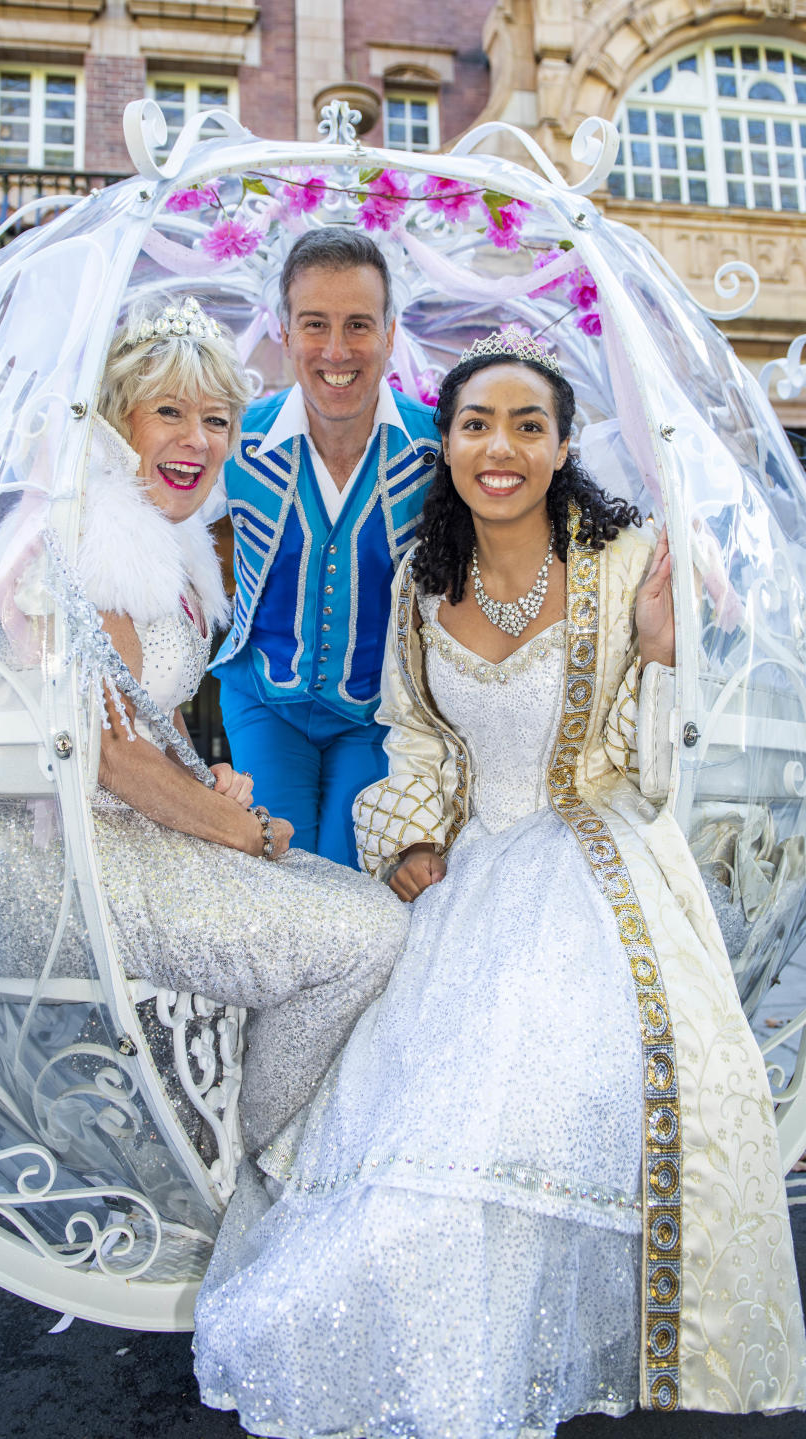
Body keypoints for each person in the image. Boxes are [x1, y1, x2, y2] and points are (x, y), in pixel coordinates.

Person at [193, 328, 806, 1433]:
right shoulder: (426, 586)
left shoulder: (627, 560)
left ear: (565, 443)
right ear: (447, 442)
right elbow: (415, 735)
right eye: (477, 423)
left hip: (600, 857)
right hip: (476, 869)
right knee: (414, 1109)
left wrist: (663, 648)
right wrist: (409, 839)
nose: (502, 446)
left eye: (529, 424)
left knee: (522, 1096)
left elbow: (653, 767)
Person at [0, 290, 408, 1157]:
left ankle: (223, 1131)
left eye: (218, 420)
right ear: (119, 422)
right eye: (171, 414)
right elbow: (107, 755)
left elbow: (143, 729)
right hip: (44, 864)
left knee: (355, 897)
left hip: (120, 836)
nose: (198, 440)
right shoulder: (92, 538)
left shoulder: (171, 542)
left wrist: (206, 780)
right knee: (363, 934)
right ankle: (258, 1162)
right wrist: (243, 829)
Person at [213, 227, 441, 868]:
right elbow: (144, 502)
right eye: (315, 324)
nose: (336, 350)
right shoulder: (231, 439)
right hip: (265, 701)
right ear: (284, 332)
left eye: (358, 325)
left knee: (349, 873)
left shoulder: (439, 448)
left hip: (380, 713)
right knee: (276, 869)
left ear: (390, 335)